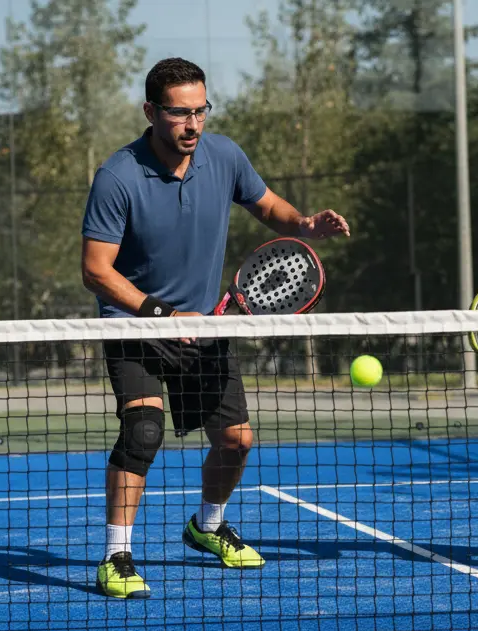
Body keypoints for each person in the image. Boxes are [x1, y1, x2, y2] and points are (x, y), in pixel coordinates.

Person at [80, 57, 350, 599]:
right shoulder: (118, 176)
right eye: (181, 113)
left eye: (201, 110)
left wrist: (303, 224)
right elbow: (96, 270)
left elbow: (267, 204)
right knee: (143, 432)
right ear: (152, 111)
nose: (194, 124)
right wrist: (160, 313)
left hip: (205, 327)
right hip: (138, 326)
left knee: (237, 441)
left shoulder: (225, 156)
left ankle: (206, 526)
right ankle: (116, 556)